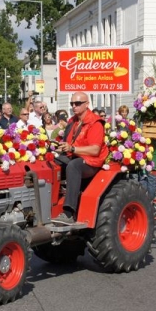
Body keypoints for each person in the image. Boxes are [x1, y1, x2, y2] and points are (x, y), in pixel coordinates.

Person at [53, 92, 108, 224]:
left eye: (77, 103)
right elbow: (69, 142)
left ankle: (68, 212)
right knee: (52, 163)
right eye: (72, 104)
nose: (74, 106)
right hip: (75, 156)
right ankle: (52, 202)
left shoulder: (95, 122)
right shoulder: (73, 121)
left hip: (92, 162)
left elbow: (95, 150)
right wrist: (61, 148)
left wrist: (72, 149)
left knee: (74, 166)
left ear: (87, 104)